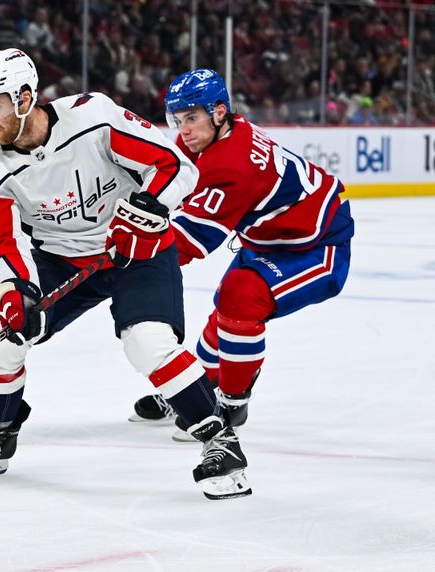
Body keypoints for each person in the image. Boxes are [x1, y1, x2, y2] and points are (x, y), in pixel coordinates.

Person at [0, 49, 252, 500]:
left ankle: (219, 441)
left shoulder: (95, 119)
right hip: (63, 261)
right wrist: (14, 289)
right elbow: (5, 244)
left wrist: (147, 209)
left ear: (25, 97)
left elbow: (172, 166)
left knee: (147, 342)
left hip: (138, 249)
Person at [129, 69, 354, 441]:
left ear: (219, 113)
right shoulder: (215, 135)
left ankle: (230, 404)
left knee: (240, 297)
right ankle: (195, 392)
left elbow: (191, 241)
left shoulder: (232, 164)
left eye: (191, 118)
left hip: (319, 244)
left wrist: (132, 259)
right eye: (178, 119)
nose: (183, 129)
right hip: (273, 238)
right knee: (227, 306)